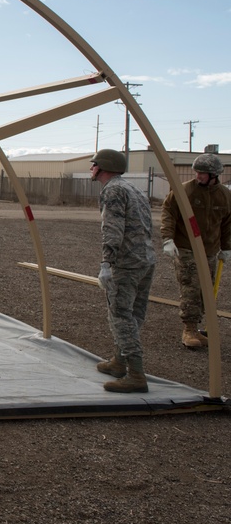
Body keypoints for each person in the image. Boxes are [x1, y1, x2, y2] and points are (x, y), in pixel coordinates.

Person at [90, 149, 155, 393]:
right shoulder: (133, 188)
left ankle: (136, 375)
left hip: (127, 263)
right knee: (134, 314)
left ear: (103, 167)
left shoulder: (113, 190)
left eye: (94, 164)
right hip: (145, 259)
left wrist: (107, 262)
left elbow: (113, 228)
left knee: (121, 316)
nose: (91, 168)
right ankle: (119, 361)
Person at [160, 153, 231, 349]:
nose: (198, 176)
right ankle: (189, 329)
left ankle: (197, 329)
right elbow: (168, 212)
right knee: (191, 288)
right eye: (197, 172)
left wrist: (227, 248)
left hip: (210, 251)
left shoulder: (225, 196)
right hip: (186, 247)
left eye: (202, 173)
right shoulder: (185, 191)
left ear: (214, 175)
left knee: (205, 290)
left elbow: (227, 224)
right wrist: (167, 239)